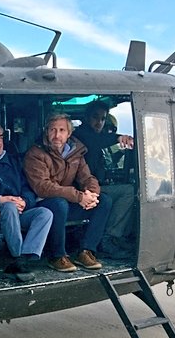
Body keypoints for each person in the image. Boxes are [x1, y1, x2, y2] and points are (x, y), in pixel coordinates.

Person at [23, 112, 112, 272]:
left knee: (104, 201)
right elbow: (43, 187)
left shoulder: (75, 152)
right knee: (59, 204)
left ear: (69, 133)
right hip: (42, 204)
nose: (57, 135)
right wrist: (78, 196)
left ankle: (86, 251)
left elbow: (87, 177)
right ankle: (57, 256)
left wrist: (92, 195)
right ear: (46, 131)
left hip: (68, 201)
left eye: (62, 130)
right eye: (53, 130)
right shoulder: (36, 153)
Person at [0, 121, 53, 282]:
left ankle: (24, 258)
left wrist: (24, 201)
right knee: (8, 207)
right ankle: (16, 256)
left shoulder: (12, 160)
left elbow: (26, 186)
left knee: (45, 213)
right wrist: (0, 199)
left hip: (17, 211)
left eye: (1, 137)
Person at [73, 100, 136, 257]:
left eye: (102, 119)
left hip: (96, 185)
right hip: (81, 188)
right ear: (87, 118)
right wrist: (119, 138)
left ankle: (116, 236)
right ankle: (109, 237)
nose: (99, 122)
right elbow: (97, 141)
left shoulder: (95, 136)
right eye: (95, 117)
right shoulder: (80, 135)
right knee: (127, 191)